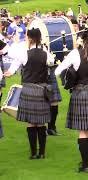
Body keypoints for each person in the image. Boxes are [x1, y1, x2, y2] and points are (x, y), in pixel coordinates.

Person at [55, 25, 88, 172]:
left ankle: (85, 165)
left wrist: (70, 75)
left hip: (80, 93)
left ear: (82, 39)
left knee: (84, 131)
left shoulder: (74, 54)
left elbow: (57, 71)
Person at [4, 28, 54, 159]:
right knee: (41, 122)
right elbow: (51, 62)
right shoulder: (45, 53)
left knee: (31, 123)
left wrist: (11, 71)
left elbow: (14, 58)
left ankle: (33, 153)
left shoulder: (24, 54)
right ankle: (42, 153)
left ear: (30, 38)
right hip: (42, 89)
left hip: (28, 89)